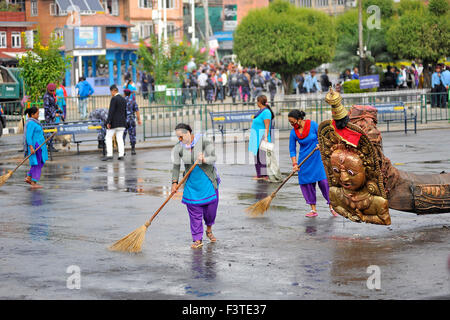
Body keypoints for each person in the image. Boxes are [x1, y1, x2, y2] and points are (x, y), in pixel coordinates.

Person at [171, 123, 220, 249]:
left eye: (181, 137)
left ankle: (208, 229)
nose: (179, 140)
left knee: (210, 212)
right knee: (194, 212)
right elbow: (176, 166)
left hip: (208, 182)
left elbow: (214, 157)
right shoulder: (178, 148)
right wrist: (174, 183)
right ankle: (197, 239)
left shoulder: (203, 141)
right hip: (192, 184)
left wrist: (204, 159)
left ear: (188, 133)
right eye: (178, 137)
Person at [288, 109, 338, 217]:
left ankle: (332, 206)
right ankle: (313, 209)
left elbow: (323, 137)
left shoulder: (313, 125)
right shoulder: (293, 132)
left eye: (293, 122)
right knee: (307, 184)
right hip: (304, 161)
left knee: (324, 182)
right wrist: (295, 164)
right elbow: (292, 149)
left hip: (317, 158)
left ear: (299, 119)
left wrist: (321, 144)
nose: (291, 124)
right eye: (290, 122)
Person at [248, 95, 275, 180]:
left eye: (257, 101)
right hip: (256, 137)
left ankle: (265, 175)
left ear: (259, 102)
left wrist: (266, 138)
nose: (256, 103)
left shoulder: (266, 112)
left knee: (262, 157)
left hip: (262, 136)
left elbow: (267, 126)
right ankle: (259, 174)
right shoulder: (260, 111)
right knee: (257, 156)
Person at [23, 107, 49, 189]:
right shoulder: (31, 123)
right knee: (37, 163)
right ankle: (34, 182)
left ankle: (29, 177)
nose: (38, 115)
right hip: (36, 145)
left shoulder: (36, 122)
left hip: (40, 145)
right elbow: (28, 136)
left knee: (40, 162)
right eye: (37, 113)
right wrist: (31, 147)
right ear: (32, 114)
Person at [103, 84, 127, 161]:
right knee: (120, 138)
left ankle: (109, 154)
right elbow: (125, 112)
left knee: (108, 137)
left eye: (111, 92)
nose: (111, 93)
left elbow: (111, 111)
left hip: (114, 123)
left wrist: (108, 122)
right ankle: (121, 154)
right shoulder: (123, 99)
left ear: (113, 91)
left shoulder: (114, 99)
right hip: (122, 123)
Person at [123, 89, 141, 155]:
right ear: (130, 94)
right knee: (132, 134)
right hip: (131, 120)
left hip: (123, 120)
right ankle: (133, 150)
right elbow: (137, 111)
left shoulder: (121, 101)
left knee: (122, 135)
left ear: (124, 94)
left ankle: (122, 150)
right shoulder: (133, 101)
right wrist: (139, 120)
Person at [43, 83, 59, 152]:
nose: (52, 92)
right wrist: (53, 114)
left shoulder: (51, 95)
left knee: (52, 131)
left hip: (52, 116)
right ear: (48, 90)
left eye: (53, 90)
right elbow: (47, 108)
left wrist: (57, 108)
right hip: (49, 117)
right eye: (51, 91)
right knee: (49, 131)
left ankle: (50, 145)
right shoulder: (46, 96)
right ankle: (49, 146)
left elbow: (53, 105)